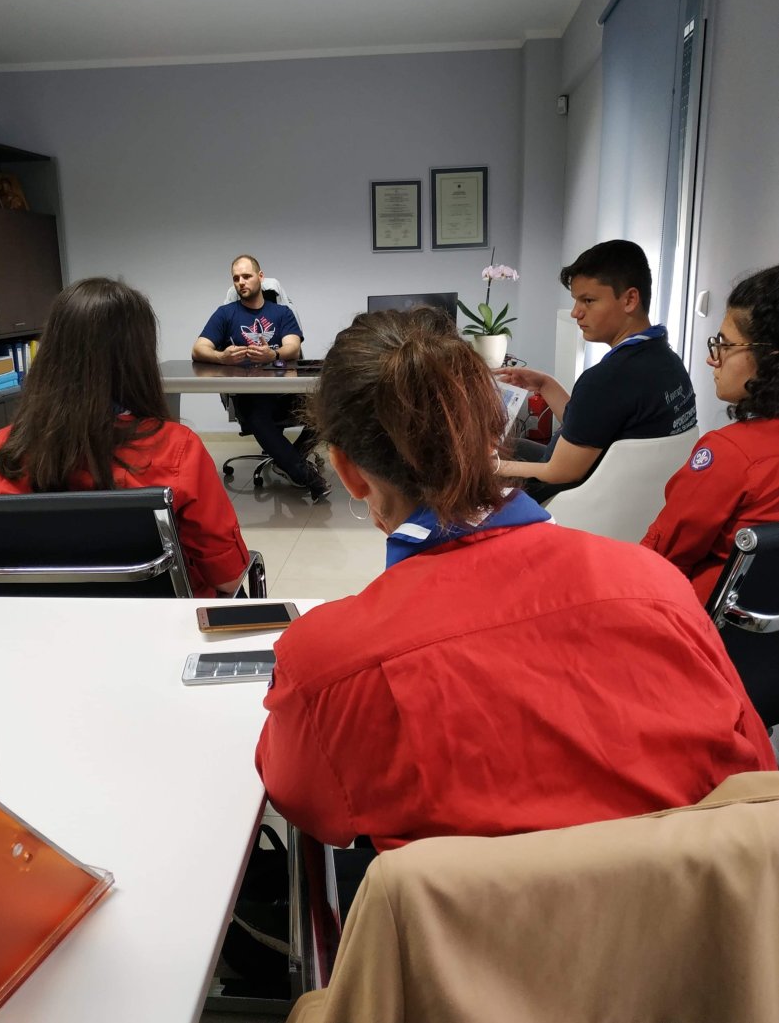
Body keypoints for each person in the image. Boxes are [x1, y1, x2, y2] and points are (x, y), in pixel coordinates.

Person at [255, 306, 774, 853]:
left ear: (347, 470)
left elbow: (302, 800)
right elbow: (756, 779)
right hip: (688, 901)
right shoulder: (661, 590)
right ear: (492, 433)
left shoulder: (326, 665)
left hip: (455, 909)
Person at [0, 277, 249, 597]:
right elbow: (228, 579)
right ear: (138, 359)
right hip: (156, 623)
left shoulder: (0, 450)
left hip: (36, 623)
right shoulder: (177, 449)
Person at [497, 240, 696, 503]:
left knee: (474, 468)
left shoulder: (607, 379)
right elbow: (590, 425)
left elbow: (560, 472)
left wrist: (495, 466)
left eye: (588, 301)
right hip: (625, 493)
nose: (575, 313)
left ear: (630, 299)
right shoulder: (666, 360)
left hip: (572, 495)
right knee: (514, 446)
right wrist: (545, 384)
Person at [642, 266, 779, 603]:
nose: (711, 359)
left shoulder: (731, 454)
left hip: (698, 623)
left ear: (770, 359)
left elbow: (663, 556)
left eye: (725, 345)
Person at [192, 254, 330, 501]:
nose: (241, 282)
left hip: (286, 391)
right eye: (236, 278)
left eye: (246, 276)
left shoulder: (282, 312)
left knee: (327, 409)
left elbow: (293, 347)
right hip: (251, 395)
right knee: (256, 415)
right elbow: (198, 349)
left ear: (260, 277)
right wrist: (222, 357)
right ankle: (307, 477)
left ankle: (288, 460)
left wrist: (273, 354)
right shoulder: (225, 314)